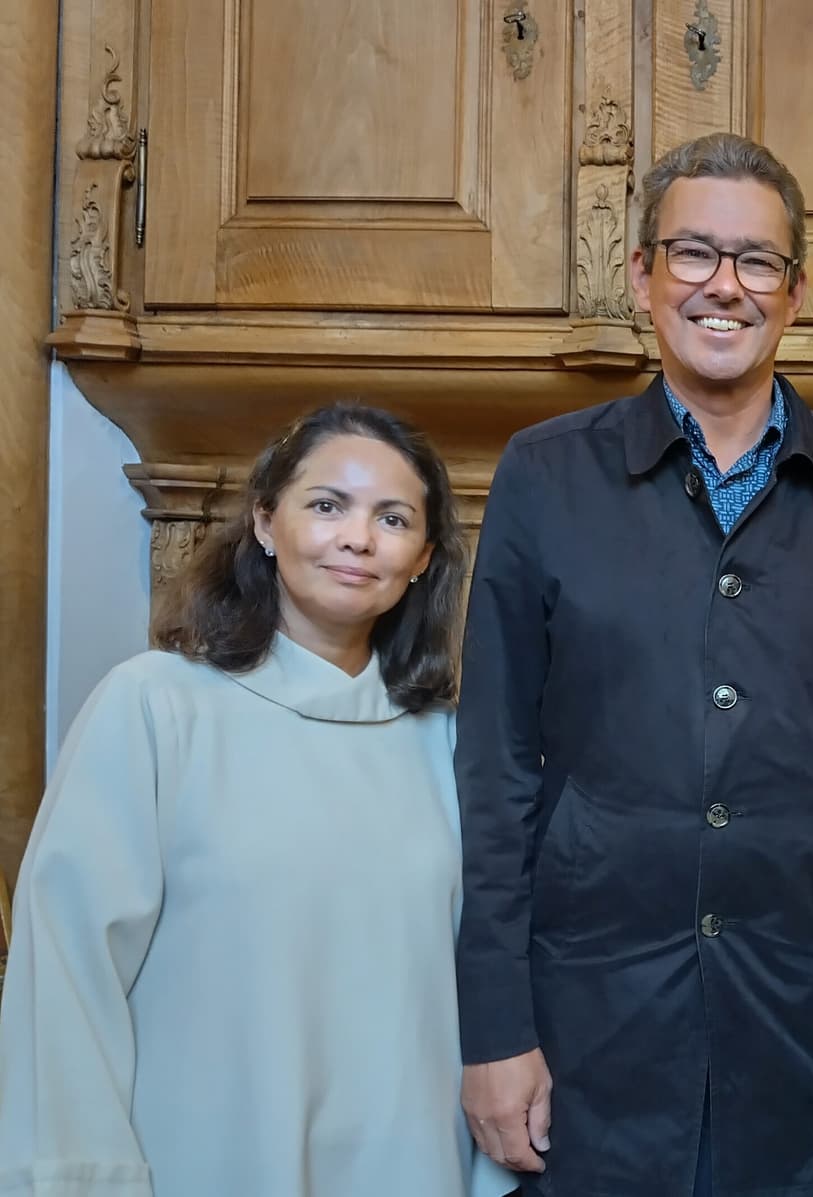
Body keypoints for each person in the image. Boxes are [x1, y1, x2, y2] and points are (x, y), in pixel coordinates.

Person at [454, 131, 813, 1194]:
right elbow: (494, 768)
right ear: (641, 275)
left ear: (794, 293)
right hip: (593, 1027)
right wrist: (495, 1030)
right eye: (693, 253)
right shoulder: (542, 477)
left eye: (757, 261)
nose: (724, 285)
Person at [0, 404, 510, 1196]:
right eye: (328, 504)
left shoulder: (450, 745)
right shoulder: (156, 707)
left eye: (393, 518)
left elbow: (482, 978)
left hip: (407, 1157)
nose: (358, 538)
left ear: (422, 559)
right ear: (267, 522)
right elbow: (69, 969)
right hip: (204, 1158)